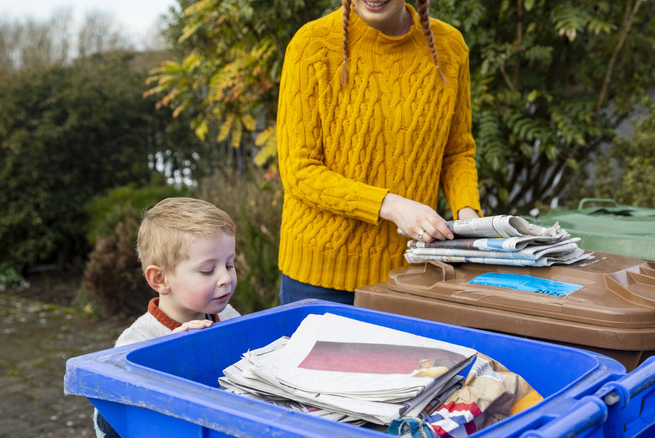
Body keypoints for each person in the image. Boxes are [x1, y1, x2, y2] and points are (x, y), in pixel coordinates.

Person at [277, 0, 482, 305]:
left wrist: (468, 216)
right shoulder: (311, 45)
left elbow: (456, 152)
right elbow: (299, 170)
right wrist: (390, 205)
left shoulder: (449, 48)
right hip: (319, 280)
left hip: (410, 274)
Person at [94, 197, 241, 438]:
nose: (225, 278)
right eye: (207, 270)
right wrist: (173, 354)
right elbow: (109, 421)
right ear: (160, 279)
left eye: (230, 264)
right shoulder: (135, 344)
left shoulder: (229, 315)